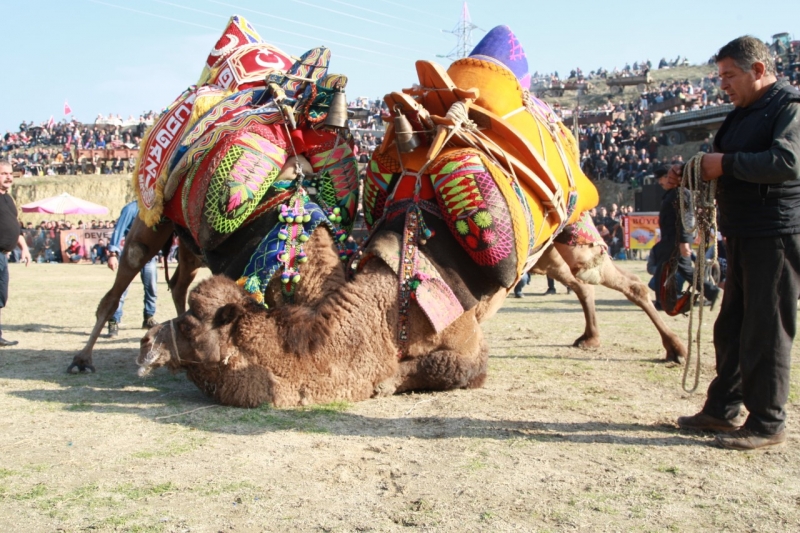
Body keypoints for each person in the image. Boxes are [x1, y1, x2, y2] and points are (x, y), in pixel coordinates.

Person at [672, 36, 800, 450]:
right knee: (732, 327)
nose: (723, 84)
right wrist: (689, 171)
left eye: (729, 75)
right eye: (720, 76)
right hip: (743, 233)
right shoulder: (743, 112)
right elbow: (720, 163)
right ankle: (723, 409)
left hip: (776, 235)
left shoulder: (790, 107)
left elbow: (787, 162)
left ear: (758, 70)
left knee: (766, 330)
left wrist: (722, 164)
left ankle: (767, 423)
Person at [649, 165, 720, 315]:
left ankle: (712, 292)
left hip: (676, 240)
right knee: (665, 268)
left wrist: (685, 242)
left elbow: (687, 218)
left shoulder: (682, 194)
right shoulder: (673, 193)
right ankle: (663, 301)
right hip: (670, 239)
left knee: (681, 270)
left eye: (663, 179)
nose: (661, 183)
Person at [106, 201, 158, 337]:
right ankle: (114, 321)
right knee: (121, 290)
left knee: (152, 290)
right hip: (131, 254)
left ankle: (149, 318)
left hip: (150, 256)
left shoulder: (157, 207)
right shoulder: (131, 208)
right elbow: (119, 229)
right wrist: (113, 253)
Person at [0, 161, 32, 346]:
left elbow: (14, 226)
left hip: (4, 255)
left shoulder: (8, 198)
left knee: (1, 297)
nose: (9, 177)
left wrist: (24, 248)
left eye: (10, 173)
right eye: (4, 173)